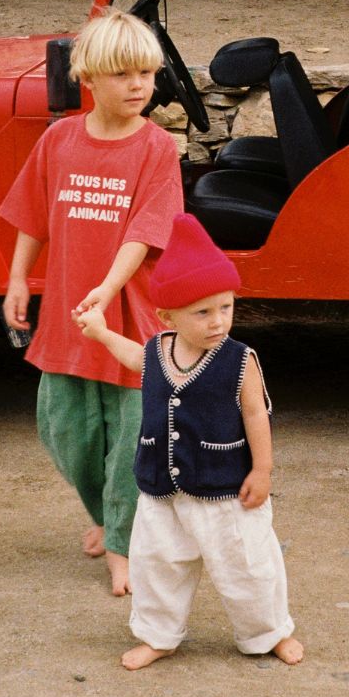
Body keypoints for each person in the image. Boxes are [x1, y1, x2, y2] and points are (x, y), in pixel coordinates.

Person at [0, 9, 182, 595]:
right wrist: (17, 278)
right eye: (125, 75)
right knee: (67, 430)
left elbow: (146, 231)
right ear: (90, 79)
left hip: (128, 315)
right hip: (68, 315)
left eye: (147, 74)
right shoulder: (59, 140)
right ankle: (105, 515)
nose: (139, 87)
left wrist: (107, 287)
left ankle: (123, 545)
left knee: (133, 434)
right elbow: (34, 214)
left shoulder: (156, 148)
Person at [75, 213, 303, 670]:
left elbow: (257, 414)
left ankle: (268, 632)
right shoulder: (159, 350)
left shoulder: (241, 361)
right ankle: (158, 635)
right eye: (202, 312)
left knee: (248, 567)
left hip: (226, 489)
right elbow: (134, 358)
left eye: (226, 307)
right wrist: (100, 332)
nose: (218, 321)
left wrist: (263, 470)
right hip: (161, 489)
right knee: (157, 565)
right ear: (167, 316)